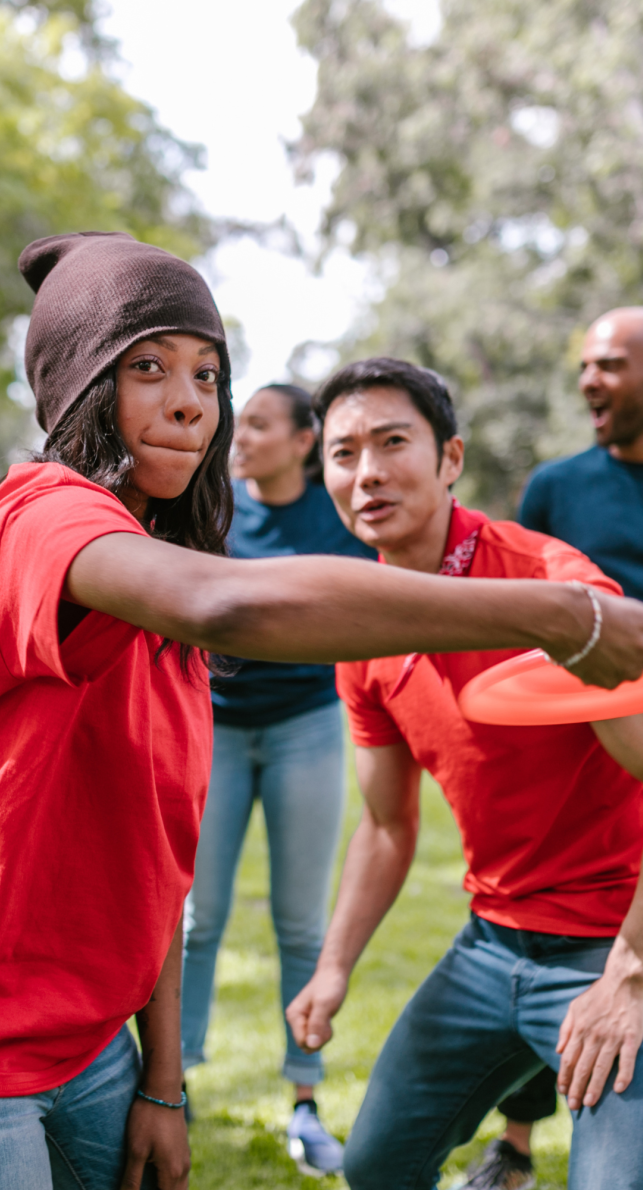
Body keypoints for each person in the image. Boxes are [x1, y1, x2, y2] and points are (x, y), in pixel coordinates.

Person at [0, 232, 643, 1190]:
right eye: (148, 368)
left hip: (90, 1047)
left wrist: (163, 1079)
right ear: (80, 385)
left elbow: (156, 855)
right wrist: (555, 617)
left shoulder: (156, 596)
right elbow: (233, 605)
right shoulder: (40, 517)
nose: (189, 401)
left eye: (209, 375)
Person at [286, 357, 643, 1190]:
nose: (367, 471)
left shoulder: (556, 594)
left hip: (611, 946)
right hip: (490, 947)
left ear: (450, 459)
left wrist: (629, 977)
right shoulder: (362, 630)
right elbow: (384, 822)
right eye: (343, 454)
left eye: (392, 442)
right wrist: (334, 967)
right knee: (376, 1169)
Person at [460, 309, 643, 1190]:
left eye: (610, 364)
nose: (588, 382)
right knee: (548, 946)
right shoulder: (559, 486)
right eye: (584, 365)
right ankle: (518, 1147)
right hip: (585, 747)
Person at [180, 382, 374, 1176]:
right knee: (197, 917)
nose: (240, 437)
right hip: (215, 727)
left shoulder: (338, 517)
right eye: (241, 424)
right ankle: (173, 1087)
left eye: (259, 425)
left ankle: (305, 1102)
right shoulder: (209, 507)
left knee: (301, 924)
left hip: (306, 728)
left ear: (303, 440)